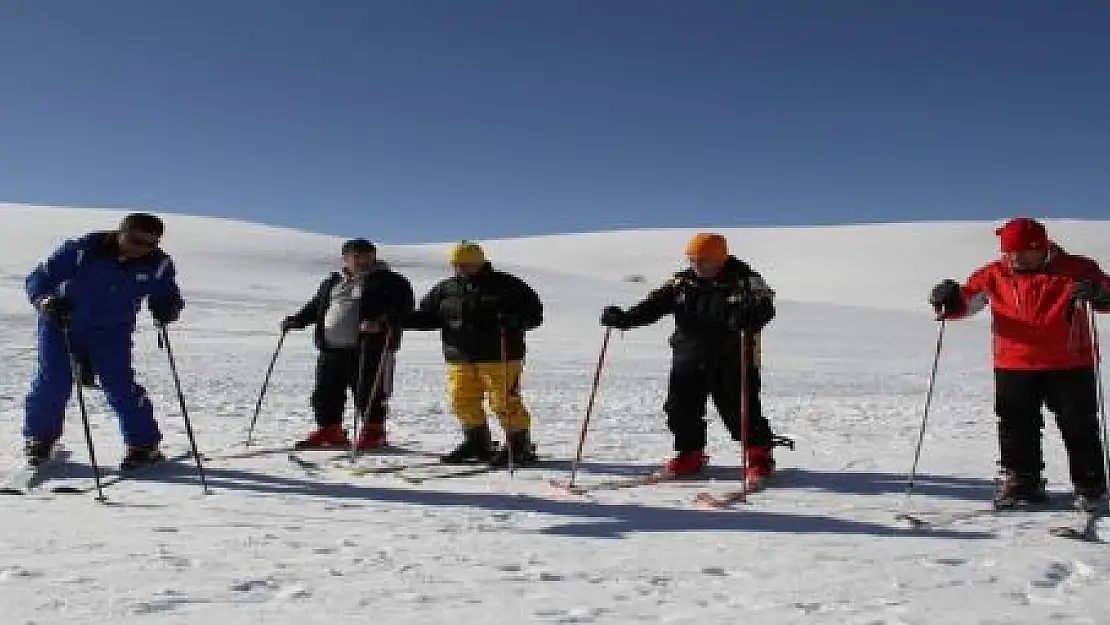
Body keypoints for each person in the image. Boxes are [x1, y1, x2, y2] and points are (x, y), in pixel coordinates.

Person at [930, 217, 1110, 510]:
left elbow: (1106, 293)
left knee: (1079, 423)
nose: (1016, 258)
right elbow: (967, 303)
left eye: (1025, 252)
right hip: (1014, 362)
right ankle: (1022, 482)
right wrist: (949, 300)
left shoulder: (1078, 269)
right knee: (1015, 424)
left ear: (1043, 248)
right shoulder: (993, 274)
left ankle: (1090, 485)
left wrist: (1101, 293)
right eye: (1010, 252)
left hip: (1070, 360)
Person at [600, 233, 784, 484]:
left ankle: (759, 457)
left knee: (739, 410)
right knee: (680, 408)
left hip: (732, 357)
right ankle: (691, 455)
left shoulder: (745, 280)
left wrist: (750, 316)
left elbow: (766, 306)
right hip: (689, 354)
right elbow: (652, 306)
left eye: (704, 260)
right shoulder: (681, 283)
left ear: (720, 258)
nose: (697, 266)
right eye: (692, 260)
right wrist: (624, 319)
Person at [22, 213, 185, 469]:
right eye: (135, 240)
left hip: (112, 332)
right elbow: (40, 277)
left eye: (150, 244)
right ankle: (40, 438)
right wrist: (45, 300)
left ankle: (143, 445)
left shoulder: (158, 265)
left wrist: (168, 307)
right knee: (53, 380)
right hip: (62, 324)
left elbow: (166, 292)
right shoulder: (82, 251)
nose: (141, 249)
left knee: (120, 384)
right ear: (120, 233)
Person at [405, 241, 543, 466]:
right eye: (457, 264)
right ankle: (477, 443)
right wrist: (401, 320)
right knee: (462, 400)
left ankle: (520, 446)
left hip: (500, 354)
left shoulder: (508, 285)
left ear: (480, 262)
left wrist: (515, 321)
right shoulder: (446, 289)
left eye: (466, 264)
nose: (461, 269)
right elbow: (430, 316)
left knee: (504, 401)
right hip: (460, 355)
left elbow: (535, 315)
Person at [282, 238, 414, 450]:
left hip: (370, 348)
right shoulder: (332, 282)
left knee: (369, 390)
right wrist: (297, 320)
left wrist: (380, 323)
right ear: (345, 258)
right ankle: (330, 429)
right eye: (357, 256)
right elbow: (317, 306)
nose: (363, 260)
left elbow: (404, 308)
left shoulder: (390, 281)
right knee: (326, 392)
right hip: (331, 348)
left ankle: (374, 431)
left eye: (368, 256)